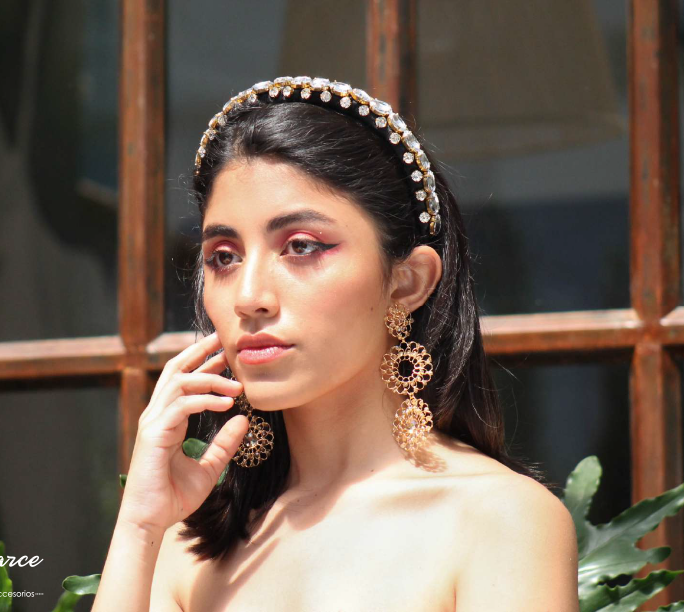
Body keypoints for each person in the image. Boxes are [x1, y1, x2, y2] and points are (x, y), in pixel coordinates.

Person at [92, 77, 580, 611]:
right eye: (224, 257)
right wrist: (139, 526)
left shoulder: (498, 521)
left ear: (408, 282)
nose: (249, 297)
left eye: (301, 246)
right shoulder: (190, 545)